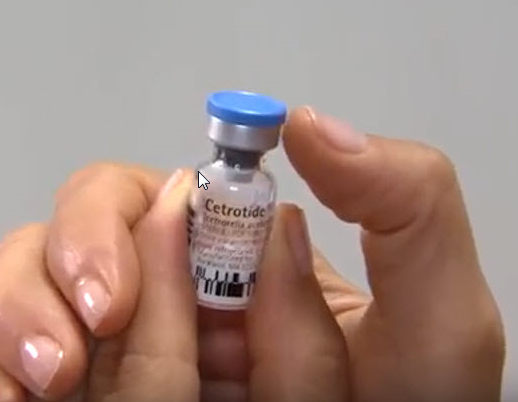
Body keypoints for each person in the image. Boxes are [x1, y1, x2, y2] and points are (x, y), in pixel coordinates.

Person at [0, 107, 505, 402]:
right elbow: (190, 192)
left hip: (238, 292)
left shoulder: (261, 187)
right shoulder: (209, 176)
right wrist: (173, 208)